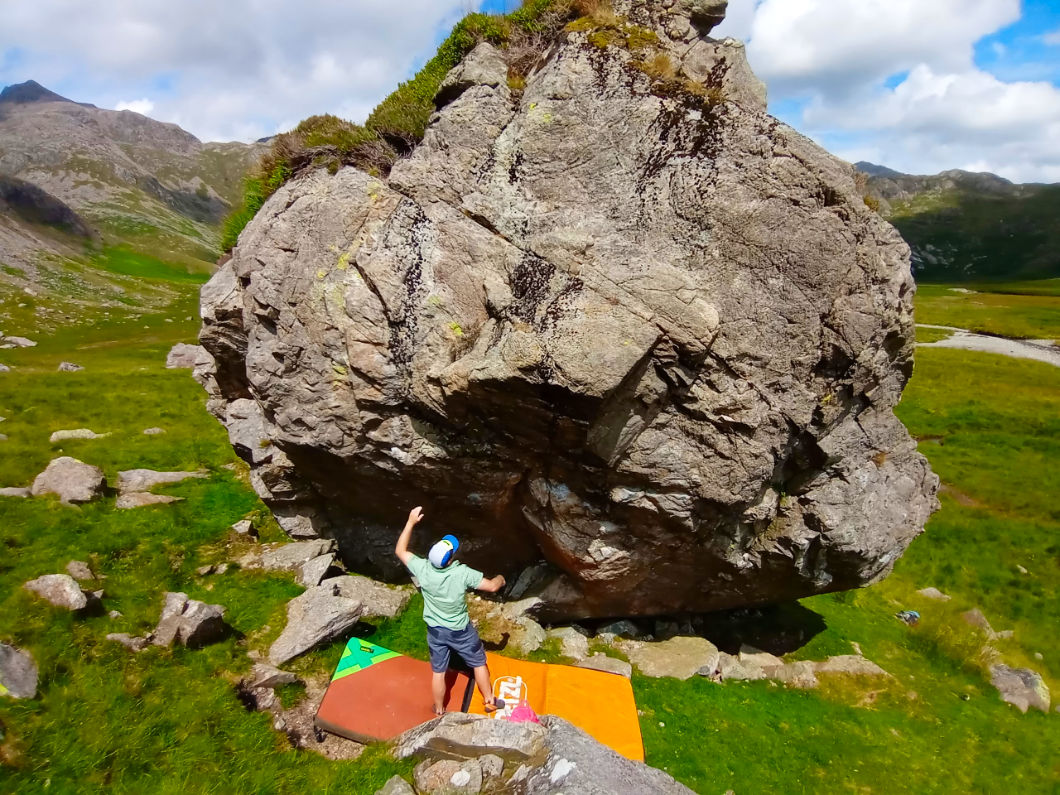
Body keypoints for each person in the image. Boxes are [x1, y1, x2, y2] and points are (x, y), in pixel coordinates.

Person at [394, 505, 506, 715]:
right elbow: (491, 586)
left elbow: (400, 550)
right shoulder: (461, 573)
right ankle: (489, 700)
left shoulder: (422, 568)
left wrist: (410, 522)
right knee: (478, 662)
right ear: (451, 558)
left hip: (435, 630)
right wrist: (501, 578)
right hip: (460, 630)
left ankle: (438, 708)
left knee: (438, 671)